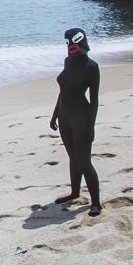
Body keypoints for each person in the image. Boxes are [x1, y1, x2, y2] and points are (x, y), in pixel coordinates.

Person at [50, 26, 102, 215]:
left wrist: (91, 125)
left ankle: (96, 202)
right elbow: (62, 91)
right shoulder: (67, 62)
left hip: (81, 117)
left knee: (84, 161)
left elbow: (94, 99)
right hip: (64, 116)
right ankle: (74, 192)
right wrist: (55, 114)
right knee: (73, 157)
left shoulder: (91, 67)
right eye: (67, 42)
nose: (71, 46)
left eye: (74, 41)